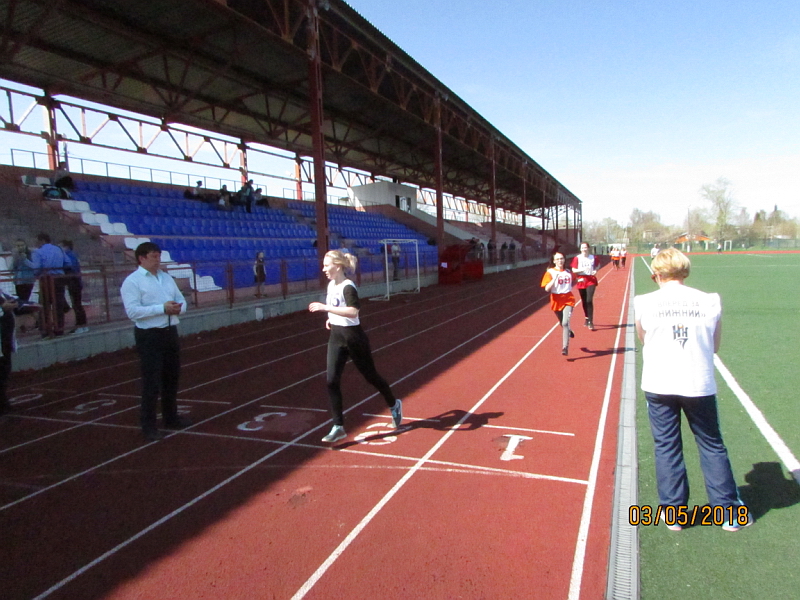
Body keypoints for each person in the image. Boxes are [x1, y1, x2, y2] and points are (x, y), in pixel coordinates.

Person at [634, 248, 751, 532]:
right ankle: (728, 513)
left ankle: (673, 512)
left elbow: (644, 339)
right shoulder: (708, 301)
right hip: (698, 382)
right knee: (711, 444)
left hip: (659, 383)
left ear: (657, 274)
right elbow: (715, 345)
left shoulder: (645, 302)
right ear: (684, 270)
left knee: (666, 445)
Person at [308, 250, 402, 443]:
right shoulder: (331, 285)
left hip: (354, 339)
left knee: (371, 377)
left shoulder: (348, 286)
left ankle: (394, 404)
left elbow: (353, 311)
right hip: (336, 337)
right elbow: (338, 307)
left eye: (326, 265)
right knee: (331, 380)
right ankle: (338, 426)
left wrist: (326, 308)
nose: (323, 269)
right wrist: (331, 318)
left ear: (337, 266)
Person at [121, 242, 190, 441]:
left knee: (171, 377)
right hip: (149, 335)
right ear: (141, 258)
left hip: (169, 331)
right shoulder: (132, 282)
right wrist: (162, 309)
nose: (158, 260)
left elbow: (181, 299)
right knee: (151, 382)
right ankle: (148, 425)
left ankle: (171, 417)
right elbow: (133, 312)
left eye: (159, 256)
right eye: (153, 256)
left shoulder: (166, 278)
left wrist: (178, 308)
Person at [31, 232, 69, 337]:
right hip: (59, 278)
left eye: (37, 241)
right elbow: (68, 262)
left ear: (42, 241)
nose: (35, 243)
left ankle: (45, 330)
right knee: (58, 305)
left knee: (44, 306)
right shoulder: (59, 249)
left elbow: (36, 269)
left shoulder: (38, 252)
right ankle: (59, 329)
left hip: (46, 279)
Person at [541, 251, 576, 356]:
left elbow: (575, 277)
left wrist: (581, 279)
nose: (560, 261)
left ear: (564, 260)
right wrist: (554, 279)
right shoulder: (550, 272)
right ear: (554, 261)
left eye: (561, 258)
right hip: (556, 300)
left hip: (568, 299)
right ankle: (569, 331)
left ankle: (565, 347)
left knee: (565, 322)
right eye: (558, 259)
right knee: (562, 322)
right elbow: (547, 289)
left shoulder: (568, 272)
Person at [60, 240, 88, 334]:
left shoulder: (69, 256)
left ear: (66, 246)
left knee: (76, 304)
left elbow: (71, 267)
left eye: (61, 246)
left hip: (74, 282)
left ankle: (81, 325)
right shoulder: (72, 255)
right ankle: (82, 325)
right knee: (77, 304)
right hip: (75, 281)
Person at [571, 242, 599, 330]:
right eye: (582, 248)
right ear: (580, 249)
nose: (584, 249)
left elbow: (598, 265)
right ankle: (587, 317)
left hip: (591, 279)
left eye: (585, 247)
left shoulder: (593, 257)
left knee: (589, 300)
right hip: (581, 279)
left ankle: (591, 321)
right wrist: (583, 269)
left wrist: (595, 270)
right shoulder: (577, 258)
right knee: (584, 300)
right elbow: (574, 270)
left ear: (588, 248)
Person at [0, 292, 20, 415]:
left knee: (4, 370)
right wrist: (4, 308)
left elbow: (11, 300)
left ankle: (3, 402)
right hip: (2, 340)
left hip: (5, 340)